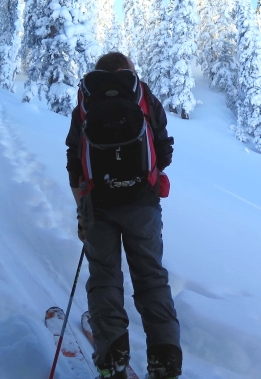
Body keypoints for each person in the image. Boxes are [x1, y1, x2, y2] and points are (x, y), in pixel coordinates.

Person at [66, 52, 182, 379]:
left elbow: (74, 162)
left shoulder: (86, 101)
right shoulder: (142, 95)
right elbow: (165, 151)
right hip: (142, 203)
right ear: (129, 71)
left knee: (105, 280)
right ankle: (165, 365)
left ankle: (112, 364)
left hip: (97, 204)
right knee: (151, 279)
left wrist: (82, 210)